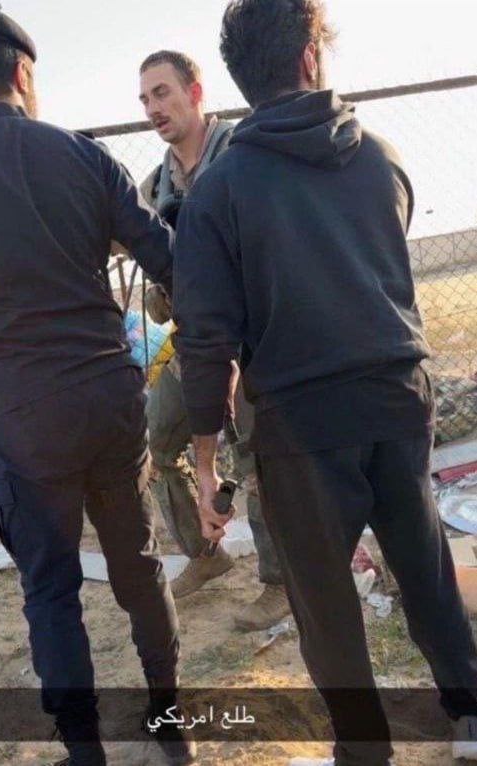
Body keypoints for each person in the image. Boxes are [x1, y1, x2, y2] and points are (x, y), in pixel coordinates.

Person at [173, 1, 477, 764]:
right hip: (397, 397)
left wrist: (205, 462)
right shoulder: (380, 157)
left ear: (239, 75)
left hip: (300, 424)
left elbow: (207, 340)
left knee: (324, 604)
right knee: (424, 568)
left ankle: (364, 750)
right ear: (310, 57)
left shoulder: (218, 189)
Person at [0, 8, 195, 766]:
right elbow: (168, 259)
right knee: (138, 567)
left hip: (22, 415)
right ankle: (171, 725)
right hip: (109, 400)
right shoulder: (84, 154)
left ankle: (85, 750)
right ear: (22, 72)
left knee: (51, 591)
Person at [138, 50, 290, 629]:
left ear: (195, 92)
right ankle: (207, 554)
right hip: (195, 345)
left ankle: (278, 583)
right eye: (145, 99)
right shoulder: (156, 186)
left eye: (162, 92)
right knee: (157, 443)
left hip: (251, 342)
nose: (153, 108)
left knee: (258, 461)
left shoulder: (240, 155)